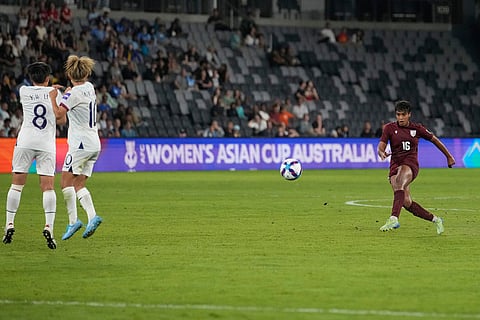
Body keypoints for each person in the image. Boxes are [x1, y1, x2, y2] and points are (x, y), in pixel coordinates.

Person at [3, 62, 65, 250]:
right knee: (48, 187)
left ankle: (10, 224)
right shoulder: (55, 93)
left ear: (31, 78)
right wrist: (56, 94)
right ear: (48, 78)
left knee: (17, 184)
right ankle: (49, 227)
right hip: (46, 143)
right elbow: (61, 119)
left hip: (25, 141)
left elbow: (37, 91)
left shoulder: (24, 91)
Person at [377, 100, 455, 234]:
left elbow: (435, 140)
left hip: (410, 165)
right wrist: (381, 152)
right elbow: (381, 145)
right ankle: (436, 220)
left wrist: (448, 156)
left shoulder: (417, 129)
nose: (400, 118)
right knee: (406, 202)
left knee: (400, 181)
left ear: (409, 115)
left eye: (403, 115)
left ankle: (393, 218)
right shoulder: (389, 128)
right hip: (394, 165)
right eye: (398, 115)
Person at [49, 55, 103, 240]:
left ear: (69, 74)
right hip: (95, 142)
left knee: (65, 182)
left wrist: (53, 97)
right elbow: (76, 94)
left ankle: (73, 222)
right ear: (87, 73)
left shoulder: (72, 94)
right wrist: (66, 92)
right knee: (79, 183)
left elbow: (59, 116)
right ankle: (92, 216)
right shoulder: (89, 88)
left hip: (80, 144)